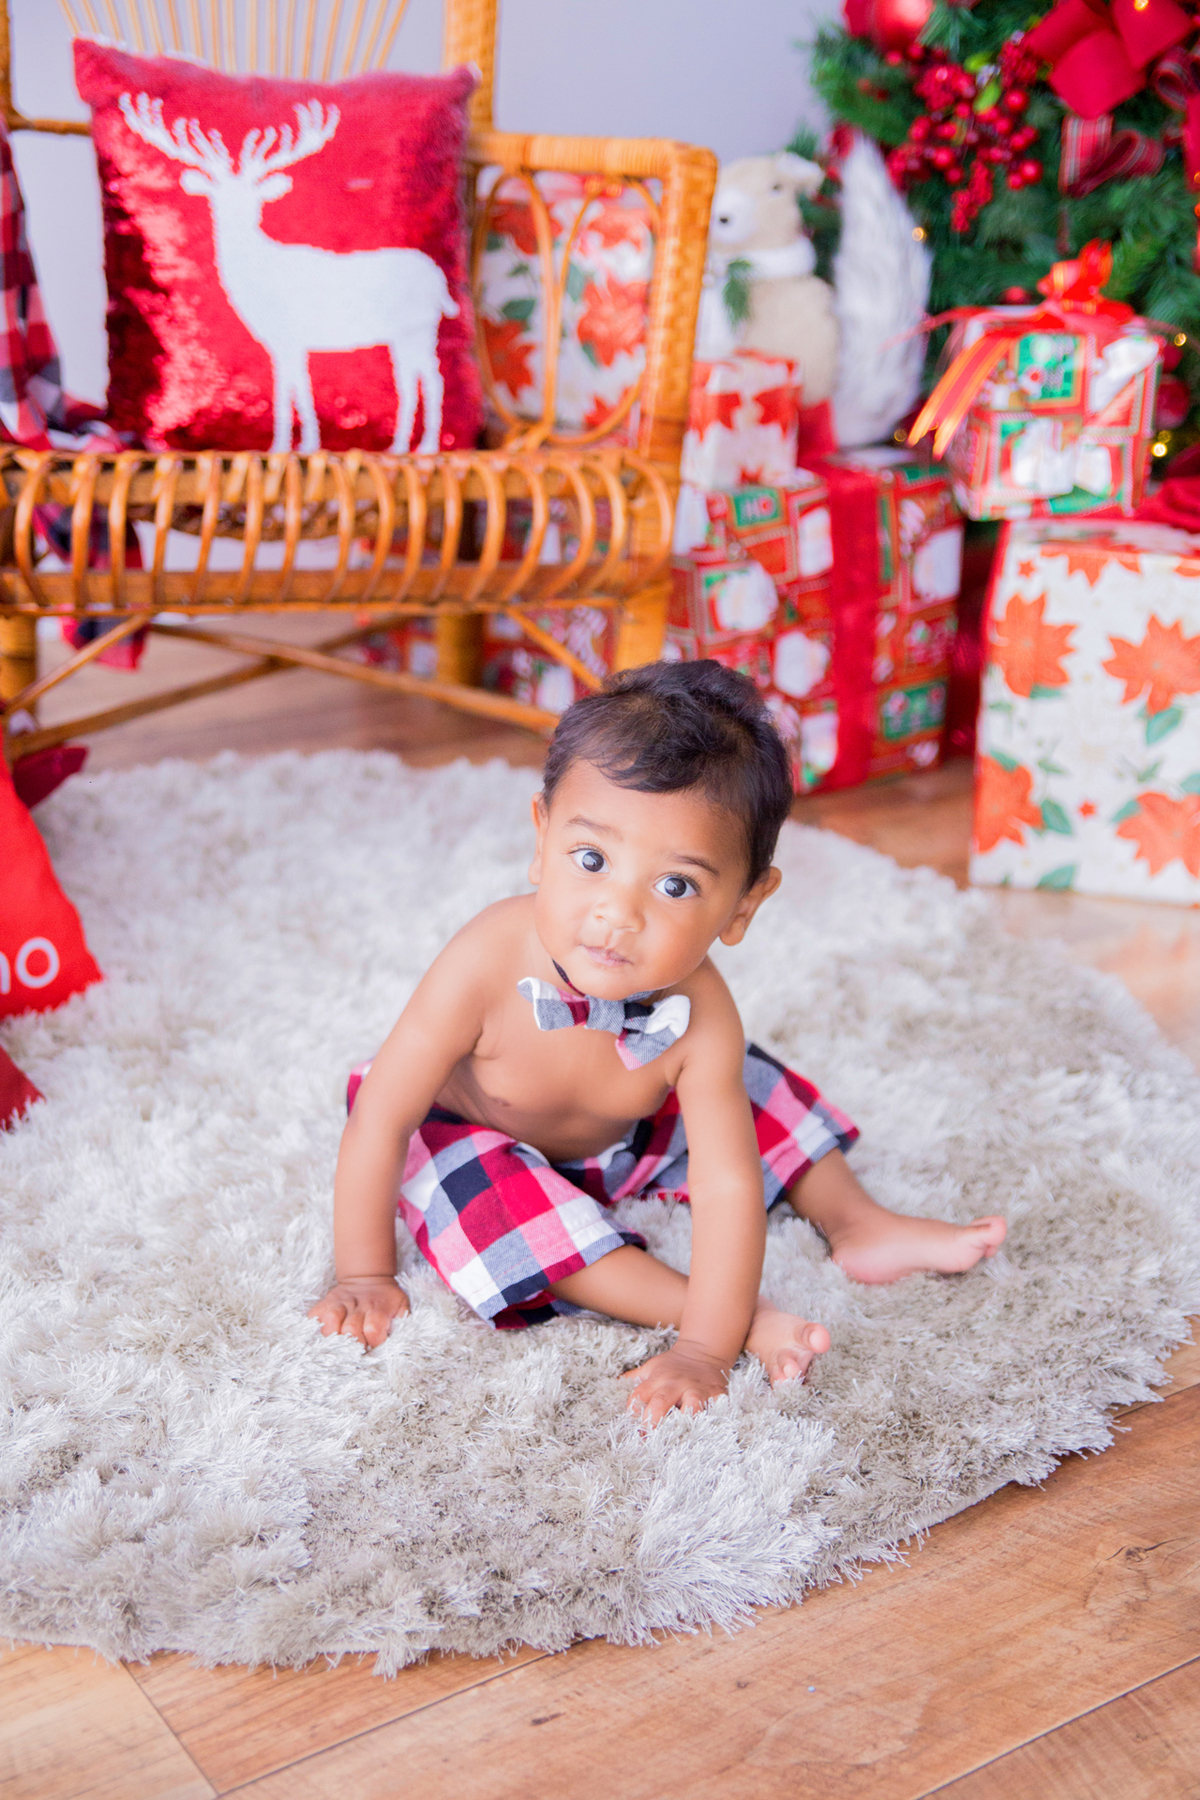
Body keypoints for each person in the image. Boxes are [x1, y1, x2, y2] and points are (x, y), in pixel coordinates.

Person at [309, 661, 1006, 1422]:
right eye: (592, 860)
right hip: (478, 1133)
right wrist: (364, 1271)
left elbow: (727, 1187)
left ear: (742, 907)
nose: (618, 913)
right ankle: (736, 1318)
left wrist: (701, 1356)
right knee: (497, 1211)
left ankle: (857, 1220)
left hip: (631, 1131)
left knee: (749, 1081)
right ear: (542, 841)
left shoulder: (700, 1010)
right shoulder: (484, 961)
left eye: (675, 885)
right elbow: (382, 1117)